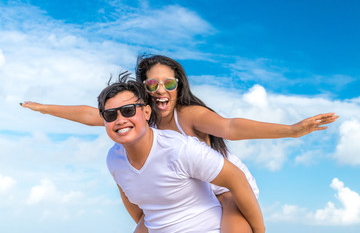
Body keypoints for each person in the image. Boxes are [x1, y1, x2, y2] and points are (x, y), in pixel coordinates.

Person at [21, 55, 338, 232]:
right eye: (152, 84)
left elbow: (230, 127)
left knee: (228, 206)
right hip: (183, 188)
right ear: (145, 92)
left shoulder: (189, 115)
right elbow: (94, 115)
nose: (161, 89)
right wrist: (45, 108)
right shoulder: (141, 119)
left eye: (169, 83)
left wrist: (292, 130)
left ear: (178, 86)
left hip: (223, 184)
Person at [97, 73, 264, 232]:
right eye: (110, 115)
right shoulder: (114, 159)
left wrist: (259, 230)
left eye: (128, 110)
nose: (120, 120)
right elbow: (142, 214)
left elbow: (236, 178)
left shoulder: (180, 149)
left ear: (147, 112)